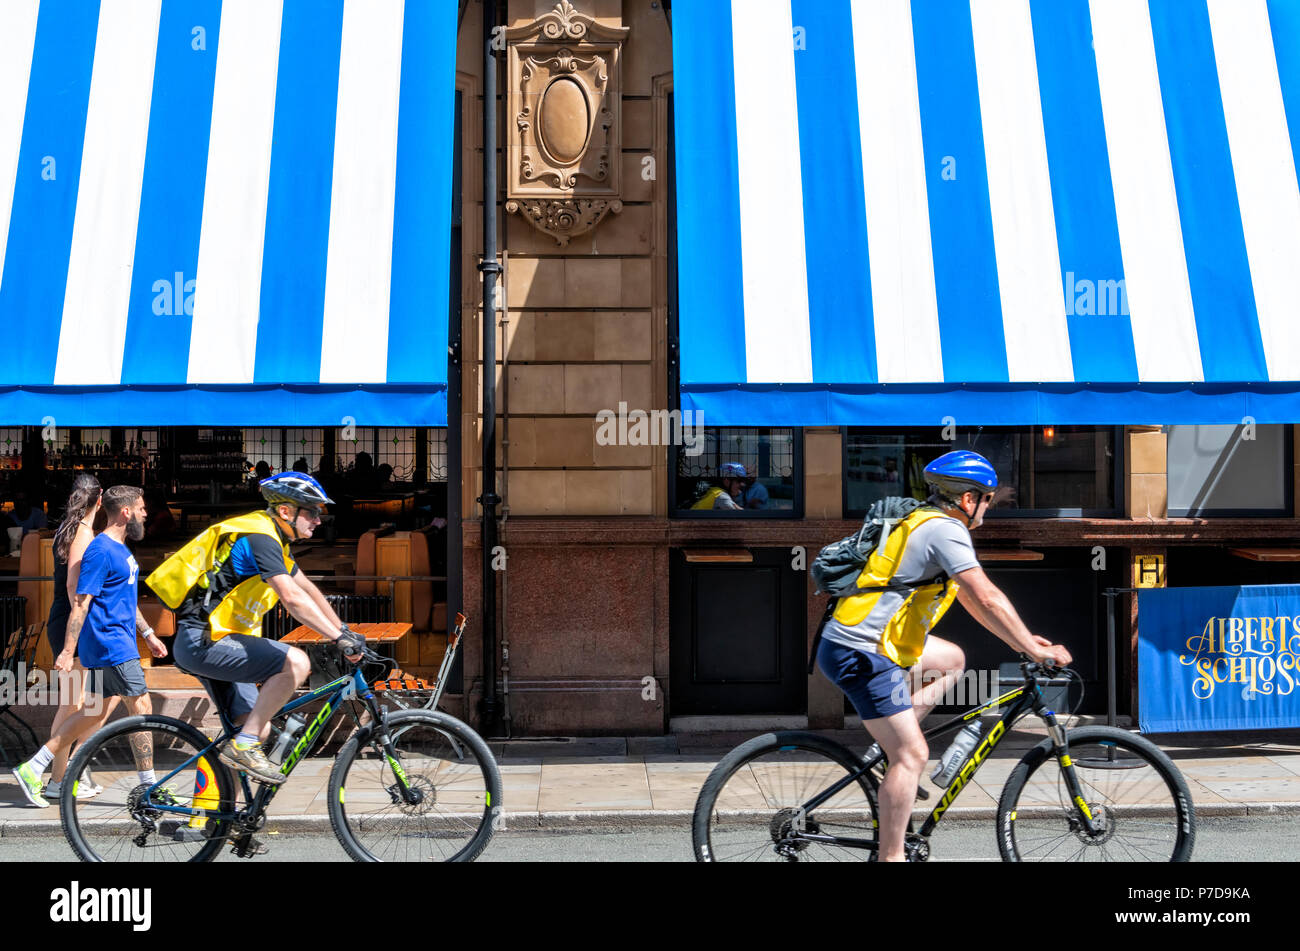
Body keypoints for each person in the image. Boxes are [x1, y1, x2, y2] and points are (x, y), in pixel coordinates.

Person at [815, 450, 1072, 863]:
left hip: (868, 644)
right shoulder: (944, 530)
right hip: (862, 651)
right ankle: (891, 856)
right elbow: (988, 596)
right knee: (913, 755)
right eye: (987, 498)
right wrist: (1032, 647)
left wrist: (1023, 643)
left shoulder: (926, 522)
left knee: (951, 659)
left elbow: (973, 601)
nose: (988, 506)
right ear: (968, 500)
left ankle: (887, 749)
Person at [149, 472, 362, 785]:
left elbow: (307, 590)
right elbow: (292, 599)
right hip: (204, 642)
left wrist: (344, 629)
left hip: (221, 640)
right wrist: (337, 638)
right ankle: (243, 748)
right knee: (296, 662)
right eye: (313, 511)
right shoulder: (259, 538)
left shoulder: (275, 542)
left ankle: (220, 820)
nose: (319, 520)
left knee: (253, 728)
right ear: (286, 512)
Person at [10, 485, 167, 807]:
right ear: (125, 512)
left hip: (119, 641)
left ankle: (34, 766)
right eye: (141, 508)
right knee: (141, 707)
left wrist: (148, 633)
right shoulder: (100, 550)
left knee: (91, 714)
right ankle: (150, 787)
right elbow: (80, 602)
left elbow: (125, 598)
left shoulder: (121, 550)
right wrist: (68, 651)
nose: (145, 513)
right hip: (109, 643)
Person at [38, 475, 104, 801]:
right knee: (74, 704)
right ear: (100, 499)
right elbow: (74, 586)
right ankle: (56, 781)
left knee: (80, 703)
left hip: (67, 621)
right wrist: (71, 642)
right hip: (70, 623)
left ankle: (71, 776)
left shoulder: (69, 528)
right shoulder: (81, 531)